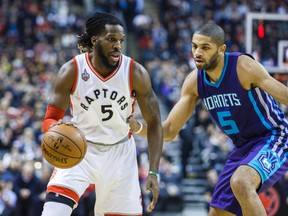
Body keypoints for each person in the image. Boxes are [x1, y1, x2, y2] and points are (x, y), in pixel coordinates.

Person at [129, 21, 288, 216]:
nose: (197, 52)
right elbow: (169, 130)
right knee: (217, 213)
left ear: (221, 49)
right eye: (194, 46)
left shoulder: (243, 66)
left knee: (242, 181)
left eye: (205, 47)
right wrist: (136, 127)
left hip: (274, 137)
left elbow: (284, 95)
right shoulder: (194, 81)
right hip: (243, 147)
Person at [41, 12, 163, 216]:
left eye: (121, 41)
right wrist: (54, 130)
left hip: (120, 153)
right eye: (112, 39)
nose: (118, 45)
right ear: (95, 40)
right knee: (53, 212)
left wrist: (153, 171)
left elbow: (155, 122)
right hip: (80, 148)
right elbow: (51, 117)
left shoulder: (135, 72)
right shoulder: (72, 69)